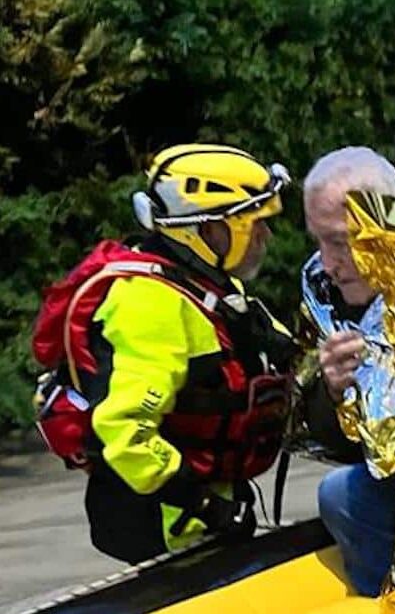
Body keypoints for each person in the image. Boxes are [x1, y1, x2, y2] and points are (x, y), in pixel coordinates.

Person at [31, 144, 297, 563]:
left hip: (207, 513)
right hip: (166, 522)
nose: (266, 237)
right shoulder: (149, 304)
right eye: (254, 225)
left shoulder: (212, 287)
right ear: (207, 230)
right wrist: (204, 504)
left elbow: (278, 353)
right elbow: (123, 430)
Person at [299, 147, 395, 597]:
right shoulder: (324, 291)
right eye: (319, 240)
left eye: (340, 242)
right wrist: (331, 391)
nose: (328, 262)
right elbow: (330, 440)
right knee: (342, 494)